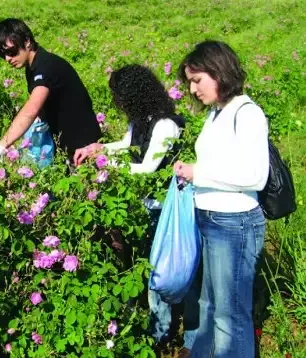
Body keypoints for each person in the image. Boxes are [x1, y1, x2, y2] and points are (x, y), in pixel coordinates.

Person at [73, 64, 197, 356]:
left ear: (134, 95)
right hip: (145, 204)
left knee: (159, 269)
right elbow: (127, 145)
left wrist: (105, 164)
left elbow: (146, 169)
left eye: (120, 96)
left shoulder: (166, 124)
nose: (118, 103)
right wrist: (98, 148)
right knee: (148, 264)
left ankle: (161, 335)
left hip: (165, 207)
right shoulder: (140, 119)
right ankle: (159, 327)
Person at [175, 40, 269, 358]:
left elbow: (256, 176)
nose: (192, 89)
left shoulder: (247, 113)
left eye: (197, 80)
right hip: (212, 219)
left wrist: (197, 173)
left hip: (235, 224)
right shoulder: (217, 113)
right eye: (189, 81)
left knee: (231, 316)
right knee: (209, 304)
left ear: (219, 72)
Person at [0, 18, 101, 163]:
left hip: (84, 147)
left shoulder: (47, 66)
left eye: (11, 51)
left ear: (27, 41)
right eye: (2, 55)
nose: (8, 58)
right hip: (64, 145)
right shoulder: (33, 67)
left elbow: (31, 109)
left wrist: (1, 147)